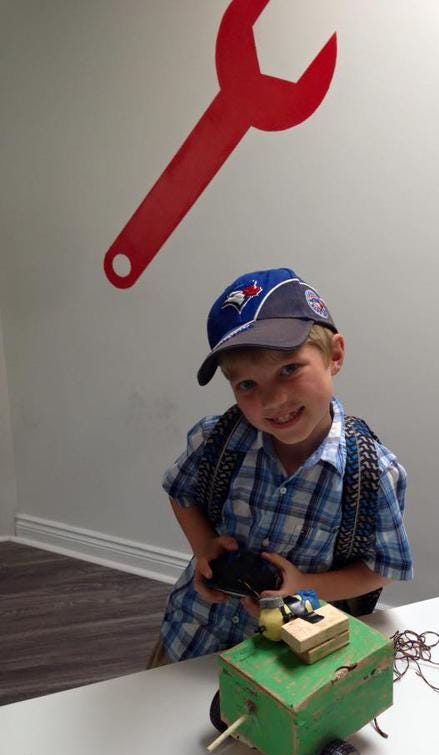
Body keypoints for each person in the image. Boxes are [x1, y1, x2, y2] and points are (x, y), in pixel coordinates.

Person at [148, 268, 412, 666]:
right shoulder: (215, 439)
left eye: (289, 369)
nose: (272, 401)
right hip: (192, 636)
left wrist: (306, 585)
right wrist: (204, 546)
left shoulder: (372, 472)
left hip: (288, 661)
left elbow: (382, 568)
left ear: (334, 355)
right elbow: (180, 493)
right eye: (247, 385)